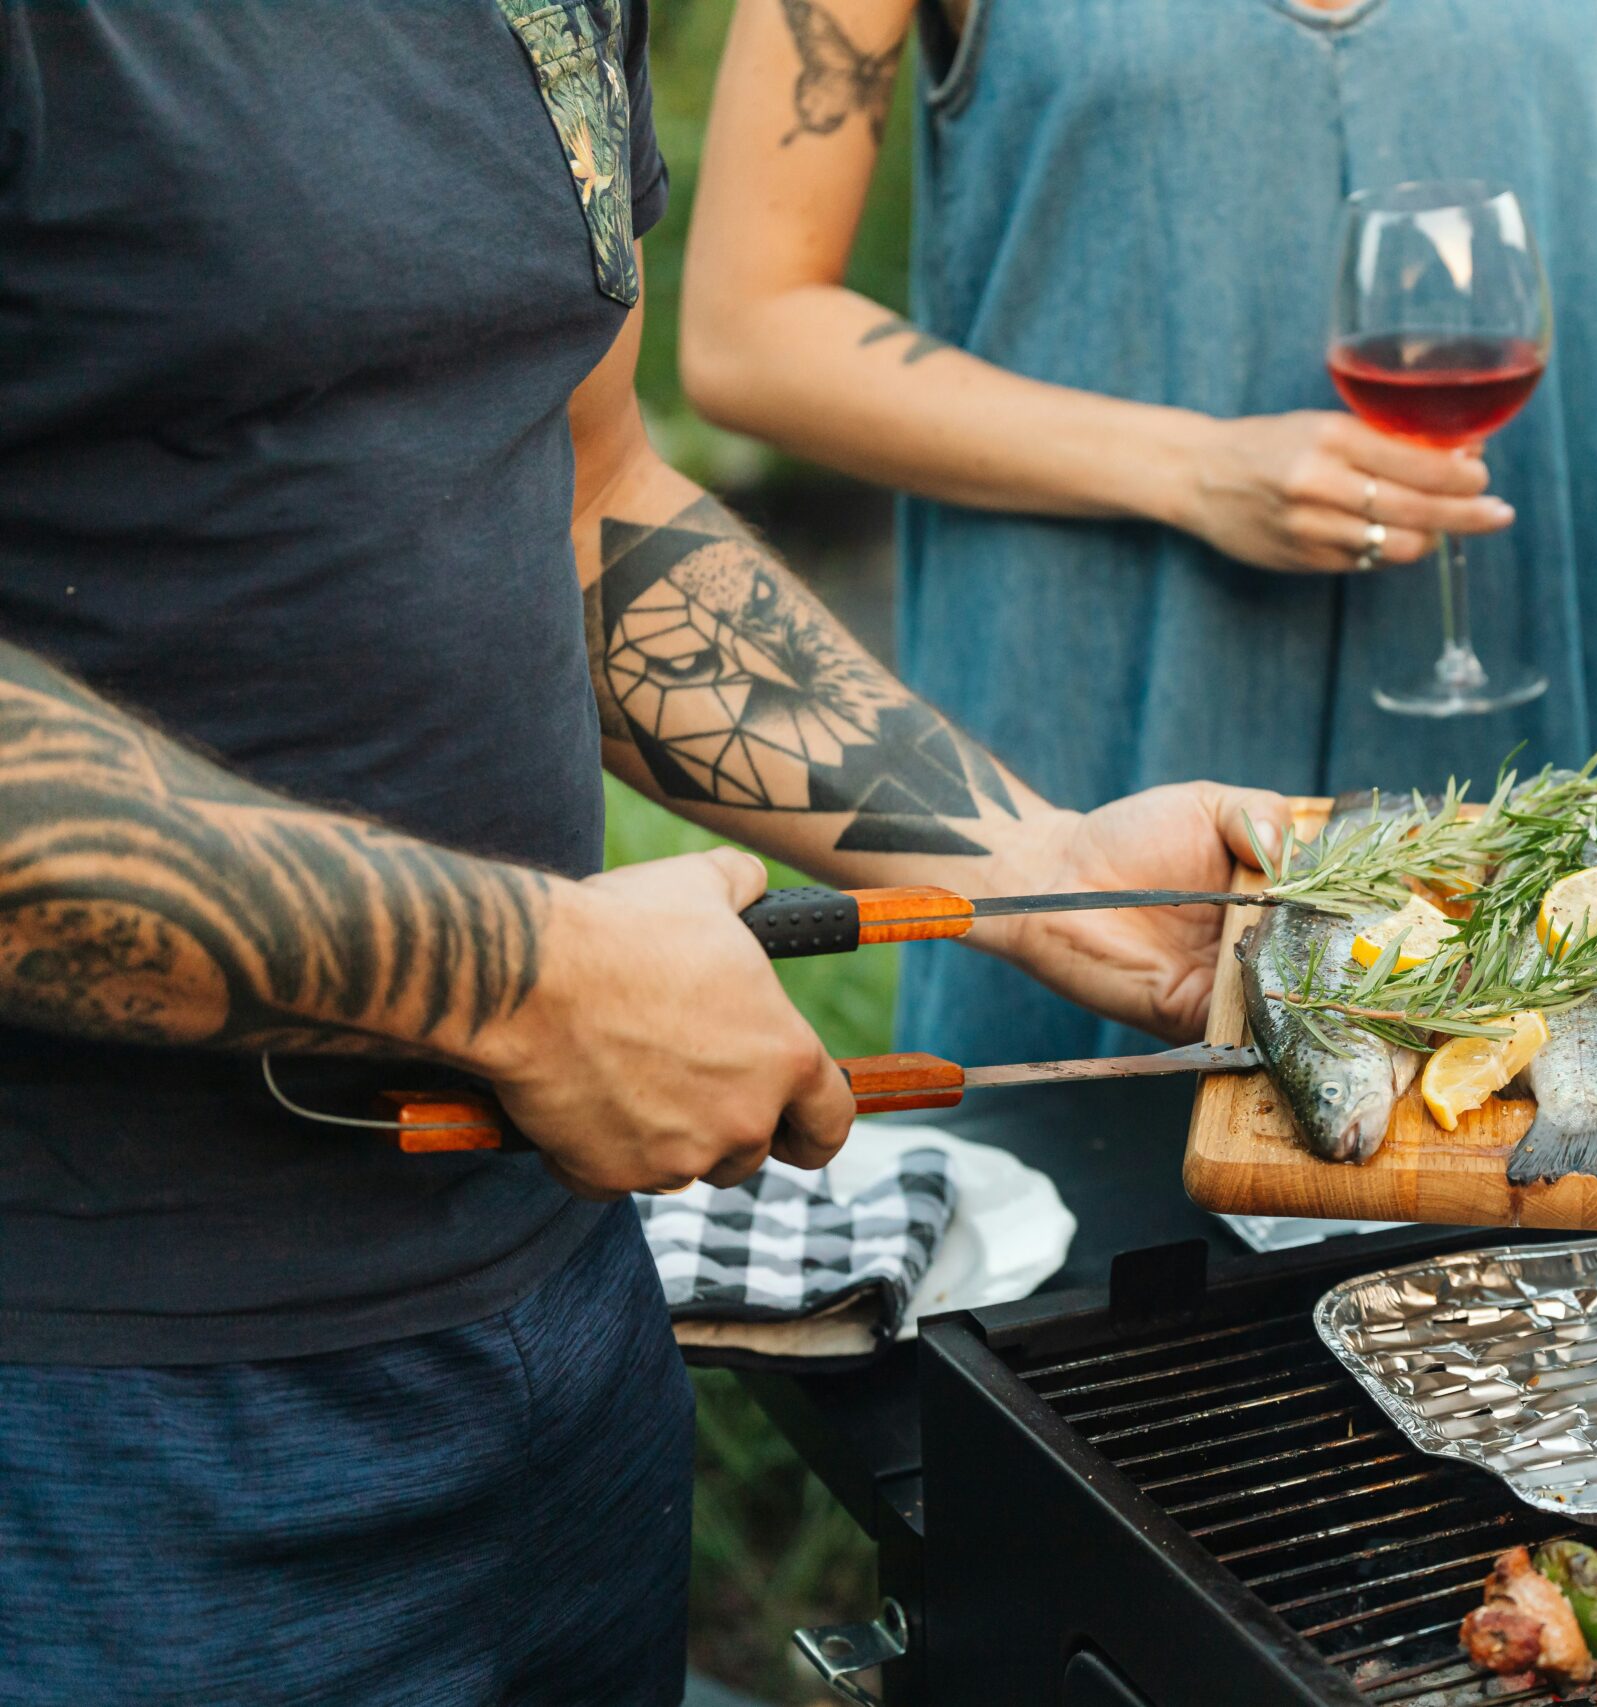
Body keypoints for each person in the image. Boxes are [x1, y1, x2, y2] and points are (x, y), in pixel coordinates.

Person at [0, 5, 1284, 1699]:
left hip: (559, 1327)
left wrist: (1031, 864)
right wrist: (522, 979)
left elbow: (581, 487)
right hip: (101, 1412)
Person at [680, 0, 1597, 1081]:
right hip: (1095, 742)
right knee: (1085, 1245)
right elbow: (748, 330)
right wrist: (1190, 468)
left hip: (1533, 712)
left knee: (1559, 1180)